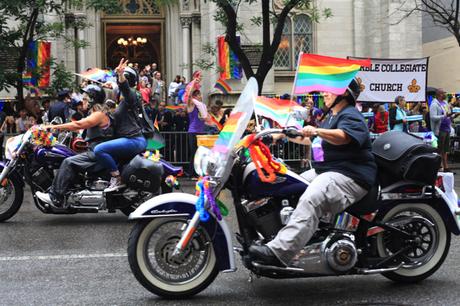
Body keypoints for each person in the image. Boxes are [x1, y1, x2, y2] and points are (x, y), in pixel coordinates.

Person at [249, 79, 377, 267]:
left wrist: (317, 130)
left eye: (330, 91)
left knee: (312, 197)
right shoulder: (332, 116)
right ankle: (292, 235)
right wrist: (281, 135)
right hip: (330, 171)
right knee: (288, 182)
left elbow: (343, 137)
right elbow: (314, 140)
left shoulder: (351, 115)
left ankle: (279, 252)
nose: (325, 93)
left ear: (344, 94)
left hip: (351, 174)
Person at [35, 85, 113, 208]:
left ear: (93, 99)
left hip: (97, 154)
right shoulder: (96, 113)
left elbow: (79, 124)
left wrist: (52, 127)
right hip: (96, 151)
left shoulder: (98, 114)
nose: (83, 101)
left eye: (86, 98)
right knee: (69, 155)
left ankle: (55, 196)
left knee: (68, 162)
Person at [93, 58, 147, 191]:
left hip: (132, 139)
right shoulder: (120, 102)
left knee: (100, 150)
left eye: (120, 79)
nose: (116, 81)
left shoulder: (132, 96)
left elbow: (125, 89)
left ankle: (117, 178)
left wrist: (121, 75)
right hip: (127, 138)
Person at [430, 88, 459, 172]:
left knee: (445, 150)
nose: (445, 94)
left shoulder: (445, 103)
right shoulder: (434, 104)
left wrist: (454, 115)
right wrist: (444, 116)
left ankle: (446, 167)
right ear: (439, 94)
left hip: (447, 128)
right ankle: (439, 166)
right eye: (444, 93)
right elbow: (433, 117)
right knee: (439, 149)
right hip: (440, 130)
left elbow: (448, 115)